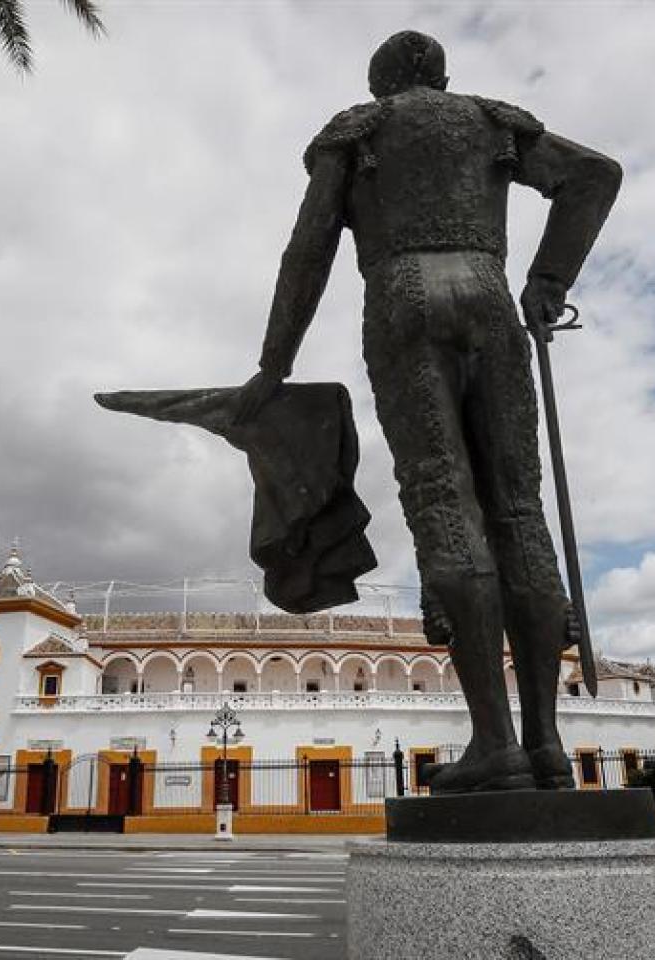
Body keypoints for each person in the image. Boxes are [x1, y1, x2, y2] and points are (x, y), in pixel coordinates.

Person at [233, 30, 621, 792]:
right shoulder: (491, 121)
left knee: (445, 500)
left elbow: (306, 254)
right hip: (490, 296)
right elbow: (594, 177)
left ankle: (495, 744)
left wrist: (273, 363)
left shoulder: (359, 131)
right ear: (442, 76)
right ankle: (545, 742)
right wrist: (546, 283)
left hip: (403, 300)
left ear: (380, 83)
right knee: (518, 508)